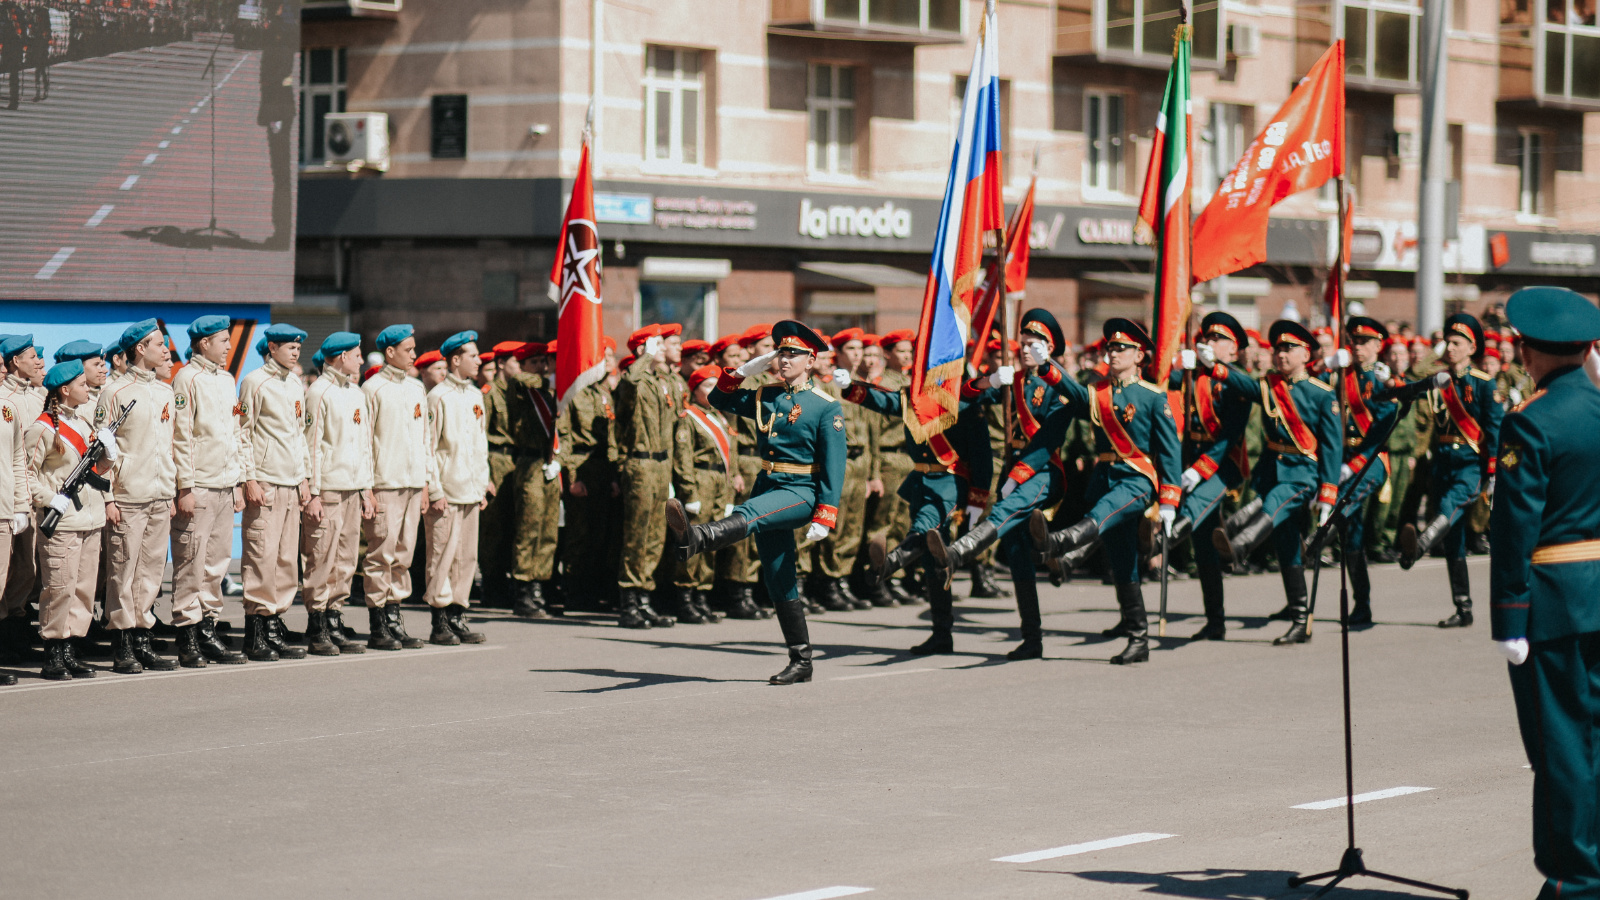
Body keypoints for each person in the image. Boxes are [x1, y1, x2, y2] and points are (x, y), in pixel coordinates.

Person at [1489, 287, 1600, 900]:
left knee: (1560, 748)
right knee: (1595, 741)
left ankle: (1575, 881)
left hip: (1553, 601)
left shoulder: (1531, 420)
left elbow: (1514, 527)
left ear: (1528, 352)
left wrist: (1508, 615)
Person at [667, 321, 845, 684]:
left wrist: (825, 514)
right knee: (778, 575)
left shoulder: (826, 406)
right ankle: (802, 660)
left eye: (792, 354)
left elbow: (834, 465)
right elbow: (719, 399)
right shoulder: (768, 395)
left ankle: (698, 538)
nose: (784, 360)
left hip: (800, 489)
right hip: (768, 481)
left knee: (749, 513)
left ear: (811, 360)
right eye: (780, 353)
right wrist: (744, 371)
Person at [1025, 319, 1182, 665]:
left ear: (1139, 355)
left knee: (1103, 513)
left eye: (1121, 348)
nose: (1112, 353)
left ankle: (1057, 544)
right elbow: (1074, 393)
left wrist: (1170, 500)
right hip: (1105, 477)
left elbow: (1170, 452)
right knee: (1123, 561)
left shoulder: (1155, 397)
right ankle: (1138, 639)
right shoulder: (1098, 393)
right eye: (1110, 347)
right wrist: (1047, 366)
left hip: (1136, 480)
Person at [924, 309, 1066, 659]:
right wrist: (989, 382)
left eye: (1035, 344)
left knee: (1003, 514)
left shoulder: (1060, 383)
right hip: (1012, 468)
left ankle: (961, 553)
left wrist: (1018, 474)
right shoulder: (1014, 379)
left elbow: (1051, 436)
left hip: (1042, 469)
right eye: (1025, 343)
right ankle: (1032, 637)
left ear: (1050, 348)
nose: (1026, 349)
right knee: (1017, 556)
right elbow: (962, 400)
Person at [844, 349, 992, 655]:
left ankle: (889, 564)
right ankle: (942, 633)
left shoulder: (966, 400)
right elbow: (882, 401)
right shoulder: (913, 398)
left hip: (950, 482)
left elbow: (982, 453)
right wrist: (849, 387)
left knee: (926, 529)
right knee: (933, 562)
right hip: (920, 481)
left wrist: (978, 496)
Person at [1208, 320, 1342, 646]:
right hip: (1273, 470)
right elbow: (1242, 384)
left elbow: (1332, 447)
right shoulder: (1269, 385)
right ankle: (1300, 617)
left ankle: (1237, 549)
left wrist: (1327, 494)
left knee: (1274, 505)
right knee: (1286, 546)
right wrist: (1213, 365)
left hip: (1302, 475)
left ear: (1306, 353)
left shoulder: (1322, 395)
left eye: (1288, 348)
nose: (1281, 354)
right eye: (1278, 349)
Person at [1399, 312, 1504, 629]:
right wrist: (1435, 353)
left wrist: (1493, 471)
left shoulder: (1484, 384)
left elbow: (1495, 428)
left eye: (1457, 343)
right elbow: (1411, 375)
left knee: (1449, 508)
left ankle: (1417, 547)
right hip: (1442, 463)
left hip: (1470, 466)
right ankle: (1463, 607)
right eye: (1449, 342)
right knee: (1454, 539)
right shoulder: (1438, 379)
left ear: (1472, 348)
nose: (1451, 348)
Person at [97, 319, 180, 672]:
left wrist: (172, 489)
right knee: (123, 570)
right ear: (140, 349)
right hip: (128, 495)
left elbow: (171, 445)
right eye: (159, 344)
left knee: (150, 571)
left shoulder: (164, 391)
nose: (166, 350)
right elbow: (101, 452)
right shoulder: (114, 391)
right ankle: (122, 640)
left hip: (159, 494)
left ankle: (143, 634)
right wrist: (108, 498)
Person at [1168, 312, 1256, 641]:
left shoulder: (1237, 378)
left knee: (1198, 511)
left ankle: (1163, 540)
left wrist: (1200, 469)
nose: (1209, 343)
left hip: (1223, 463)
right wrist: (1177, 362)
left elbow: (1231, 434)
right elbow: (1160, 379)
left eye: (1217, 340)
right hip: (1191, 462)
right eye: (1207, 338)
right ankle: (1215, 619)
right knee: (1204, 543)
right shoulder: (1193, 376)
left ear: (1233, 349)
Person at [169, 315, 248, 665]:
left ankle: (208, 627)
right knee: (191, 561)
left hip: (224, 483)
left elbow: (235, 433)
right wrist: (185, 486)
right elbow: (182, 436)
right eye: (223, 340)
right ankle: (187, 632)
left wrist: (239, 480)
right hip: (199, 484)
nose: (229, 346)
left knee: (216, 562)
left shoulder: (228, 379)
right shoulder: (187, 378)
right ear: (204, 343)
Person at [30, 361, 115, 680]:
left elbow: (96, 473)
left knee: (82, 589)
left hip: (89, 518)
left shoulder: (82, 422)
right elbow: (26, 472)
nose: (87, 388)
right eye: (81, 384)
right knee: (60, 588)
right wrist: (48, 498)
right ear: (64, 390)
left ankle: (71, 648)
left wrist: (108, 453)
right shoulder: (42, 428)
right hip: (63, 521)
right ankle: (54, 650)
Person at [236, 323, 311, 662]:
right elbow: (244, 434)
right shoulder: (254, 382)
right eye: (290, 346)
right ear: (273, 347)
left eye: (298, 346)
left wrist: (305, 478)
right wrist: (249, 478)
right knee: (261, 556)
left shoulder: (295, 383)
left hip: (291, 482)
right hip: (265, 481)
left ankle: (274, 623)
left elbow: (300, 436)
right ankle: (256, 630)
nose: (296, 351)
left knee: (284, 559)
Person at [301, 332, 376, 656]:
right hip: (329, 487)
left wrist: (366, 488)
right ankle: (317, 623)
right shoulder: (320, 392)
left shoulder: (355, 393)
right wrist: (313, 493)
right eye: (357, 354)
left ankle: (334, 616)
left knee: (345, 558)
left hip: (351, 486)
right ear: (342, 356)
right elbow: (312, 446)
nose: (361, 360)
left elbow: (364, 447)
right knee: (321, 557)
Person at [362, 324, 433, 651]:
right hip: (385, 483)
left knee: (403, 553)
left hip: (411, 482)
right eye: (409, 349)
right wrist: (369, 488)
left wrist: (425, 484)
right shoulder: (373, 388)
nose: (415, 355)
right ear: (390, 352)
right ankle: (378, 622)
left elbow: (425, 440)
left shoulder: (417, 388)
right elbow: (364, 442)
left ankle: (395, 616)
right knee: (382, 553)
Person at [1327, 316, 1401, 627]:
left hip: (1370, 461)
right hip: (1343, 457)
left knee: (1339, 508)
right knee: (1351, 536)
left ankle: (1315, 541)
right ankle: (1362, 604)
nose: (1357, 347)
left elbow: (1384, 427)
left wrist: (1388, 388)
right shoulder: (1342, 376)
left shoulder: (1381, 378)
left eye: (1364, 342)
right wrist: (1328, 367)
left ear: (1377, 346)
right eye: (1354, 341)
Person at [422, 331, 490, 645]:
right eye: (473, 356)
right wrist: (434, 490)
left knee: (467, 556)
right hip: (447, 489)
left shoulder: (476, 395)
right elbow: (429, 447)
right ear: (456, 359)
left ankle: (458, 614)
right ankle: (439, 620)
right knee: (442, 555)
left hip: (470, 488)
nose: (478, 361)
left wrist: (482, 482)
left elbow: (480, 443)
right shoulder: (438, 397)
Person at [611, 325, 679, 629]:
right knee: (636, 535)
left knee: (655, 536)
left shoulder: (662, 381)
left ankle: (645, 599)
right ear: (643, 349)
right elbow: (626, 388)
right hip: (640, 464)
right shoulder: (635, 378)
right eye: (659, 345)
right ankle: (629, 601)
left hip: (662, 464)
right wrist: (644, 357)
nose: (664, 350)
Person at [668, 365, 738, 624]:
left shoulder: (719, 417)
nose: (713, 391)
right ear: (695, 389)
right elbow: (683, 458)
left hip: (719, 482)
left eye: (716, 386)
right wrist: (689, 492)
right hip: (700, 480)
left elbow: (730, 457)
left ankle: (702, 595)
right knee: (693, 541)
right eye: (708, 386)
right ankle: (685, 596)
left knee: (713, 540)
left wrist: (729, 493)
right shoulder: (689, 417)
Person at [506, 341, 564, 617]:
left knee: (548, 530)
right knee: (528, 528)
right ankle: (523, 588)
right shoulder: (522, 388)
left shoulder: (549, 392)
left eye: (545, 362)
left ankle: (540, 585)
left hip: (549, 463)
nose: (542, 367)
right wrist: (548, 378)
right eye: (536, 362)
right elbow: (518, 378)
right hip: (528, 462)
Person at [0, 333, 43, 655]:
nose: (39, 363)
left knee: (27, 568)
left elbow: (20, 456)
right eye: (32, 356)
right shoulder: (8, 399)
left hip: (26, 497)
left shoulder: (35, 398)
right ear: (16, 361)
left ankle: (16, 623)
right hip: (15, 496)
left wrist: (23, 501)